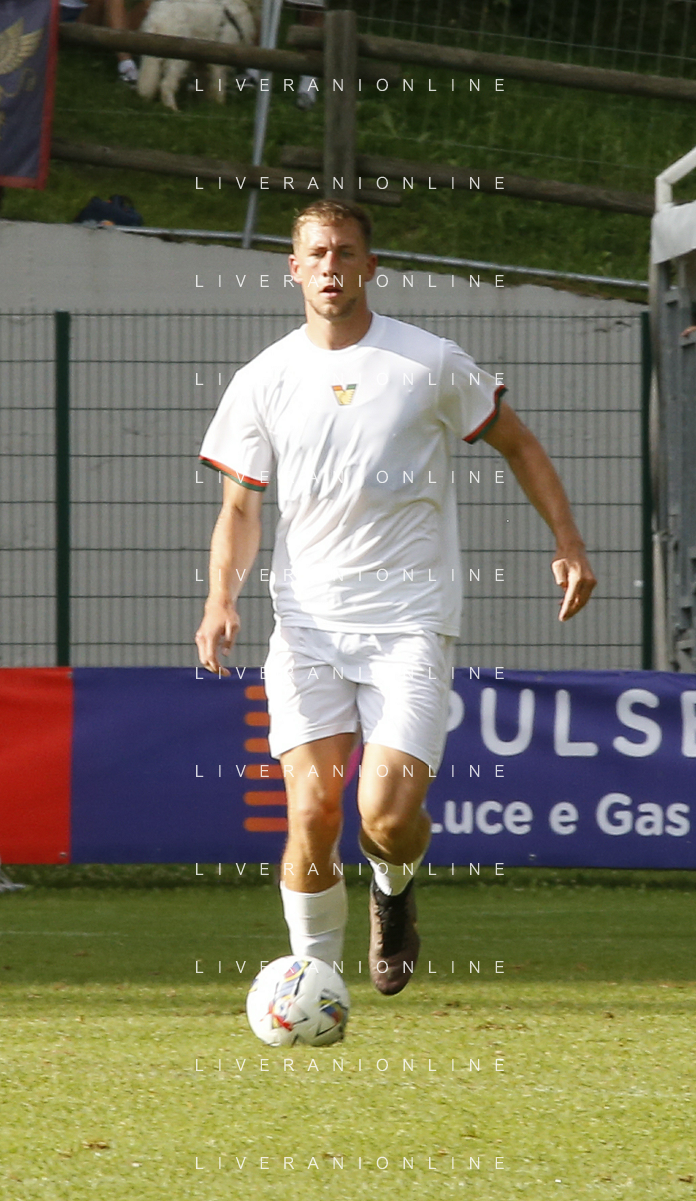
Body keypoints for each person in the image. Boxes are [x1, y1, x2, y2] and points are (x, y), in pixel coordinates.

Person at [195, 199, 596, 1000]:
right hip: (306, 626)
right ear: (294, 268)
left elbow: (519, 443)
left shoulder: (428, 362)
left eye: (346, 252)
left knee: (384, 814)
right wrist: (220, 598)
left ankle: (393, 885)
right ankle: (312, 983)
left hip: (410, 623)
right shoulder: (263, 379)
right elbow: (240, 509)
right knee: (313, 811)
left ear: (370, 266)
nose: (332, 266)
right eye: (317, 253)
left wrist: (568, 542)